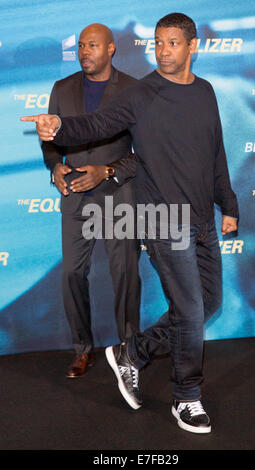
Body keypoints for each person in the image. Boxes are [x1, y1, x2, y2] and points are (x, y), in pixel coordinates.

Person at [21, 13, 238, 433]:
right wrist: (60, 126)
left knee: (209, 304)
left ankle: (132, 351)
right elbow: (97, 124)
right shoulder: (142, 93)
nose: (163, 49)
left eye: (173, 42)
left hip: (202, 221)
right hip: (162, 218)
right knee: (190, 311)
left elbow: (216, 152)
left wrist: (227, 205)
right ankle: (187, 397)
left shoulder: (206, 92)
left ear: (193, 46)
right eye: (158, 42)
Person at [40, 23, 141, 378]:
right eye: (81, 45)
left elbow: (143, 153)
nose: (85, 51)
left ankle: (129, 350)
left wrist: (108, 170)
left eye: (93, 45)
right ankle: (82, 349)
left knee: (126, 273)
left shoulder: (132, 89)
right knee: (71, 274)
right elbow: (50, 141)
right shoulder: (62, 88)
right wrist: (54, 166)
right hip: (75, 198)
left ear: (110, 49)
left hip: (118, 196)